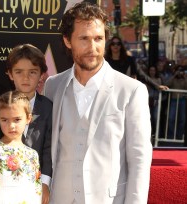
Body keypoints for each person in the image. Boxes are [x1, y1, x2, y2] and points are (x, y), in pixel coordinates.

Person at [43, 2, 152, 203]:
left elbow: (140, 160)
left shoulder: (131, 90)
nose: (93, 48)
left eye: (98, 38)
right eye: (84, 38)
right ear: (68, 41)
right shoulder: (53, 86)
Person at [0, 43, 52, 204]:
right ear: (10, 74)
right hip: (3, 185)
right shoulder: (1, 105)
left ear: (42, 75)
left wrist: (45, 183)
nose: (26, 78)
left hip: (34, 185)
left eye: (32, 72)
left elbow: (48, 149)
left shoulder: (48, 108)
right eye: (19, 72)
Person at [0, 91, 42, 203]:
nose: (11, 126)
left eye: (17, 119)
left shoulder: (32, 154)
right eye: (4, 120)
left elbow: (36, 191)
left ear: (28, 118)